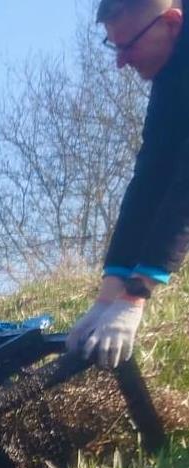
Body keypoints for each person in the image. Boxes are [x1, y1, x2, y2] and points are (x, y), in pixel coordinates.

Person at [68, 0, 187, 368]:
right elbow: (152, 174)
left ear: (171, 23)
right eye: (114, 47)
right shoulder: (172, 68)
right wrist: (108, 295)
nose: (120, 62)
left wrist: (134, 296)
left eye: (128, 46)